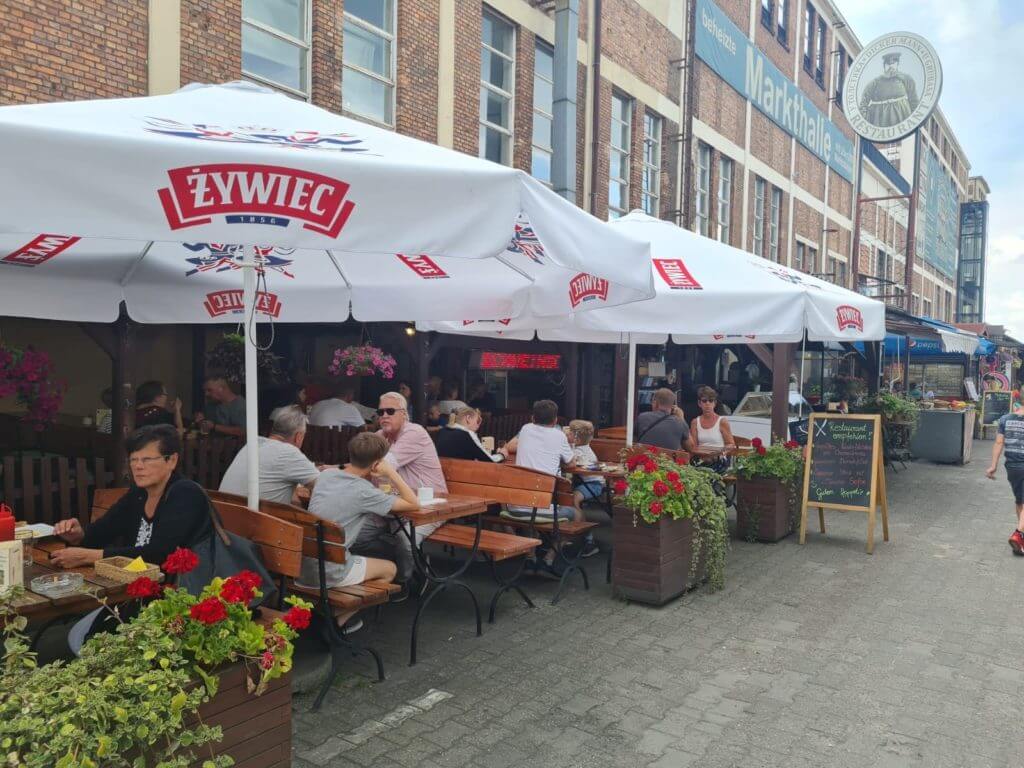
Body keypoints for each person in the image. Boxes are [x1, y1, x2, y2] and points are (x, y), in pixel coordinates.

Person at [51, 425, 211, 569]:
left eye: (147, 459)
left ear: (171, 460)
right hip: (132, 582)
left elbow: (160, 554)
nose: (138, 466)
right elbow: (106, 528)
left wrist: (88, 557)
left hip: (175, 591)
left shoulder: (185, 493)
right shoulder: (139, 493)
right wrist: (79, 535)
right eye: (134, 460)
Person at [299, 432, 408, 628]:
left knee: (351, 554)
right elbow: (413, 504)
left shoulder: (325, 475)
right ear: (376, 464)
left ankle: (328, 614)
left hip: (301, 566)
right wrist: (391, 473)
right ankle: (336, 619)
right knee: (390, 569)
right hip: (329, 573)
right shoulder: (365, 491)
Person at [356, 391, 447, 586]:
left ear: (404, 414)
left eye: (390, 411)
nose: (384, 416)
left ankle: (404, 582)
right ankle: (411, 560)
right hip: (390, 506)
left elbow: (383, 465)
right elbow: (360, 464)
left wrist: (348, 470)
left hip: (427, 507)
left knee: (405, 540)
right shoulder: (380, 436)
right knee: (355, 535)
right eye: (381, 412)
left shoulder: (414, 433)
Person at [500, 400, 598, 561]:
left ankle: (531, 554)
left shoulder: (525, 430)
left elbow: (512, 446)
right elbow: (571, 463)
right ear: (555, 420)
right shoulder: (559, 436)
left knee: (530, 503)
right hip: (543, 511)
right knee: (576, 514)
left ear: (533, 418)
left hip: (513, 508)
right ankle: (550, 556)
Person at [219, 406, 321, 506]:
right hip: (252, 521)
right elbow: (323, 485)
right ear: (298, 437)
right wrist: (332, 471)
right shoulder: (288, 452)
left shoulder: (253, 444)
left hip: (227, 516)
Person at [986, 396, 1024, 556]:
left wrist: (993, 466)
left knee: (1020, 500)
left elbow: (999, 443)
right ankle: (1018, 533)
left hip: (1012, 466)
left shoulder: (1005, 419)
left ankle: (1021, 539)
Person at [858, 52, 920, 128]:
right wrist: (867, 120)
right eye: (888, 64)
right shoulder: (875, 82)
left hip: (902, 116)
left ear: (897, 64)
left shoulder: (906, 79)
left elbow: (914, 100)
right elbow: (863, 103)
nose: (891, 67)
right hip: (880, 119)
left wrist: (913, 120)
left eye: (893, 64)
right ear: (884, 66)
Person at [689, 386, 735, 473]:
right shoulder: (695, 422)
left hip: (718, 461)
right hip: (701, 460)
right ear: (699, 403)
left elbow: (731, 444)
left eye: (711, 401)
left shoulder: (722, 421)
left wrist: (719, 453)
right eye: (704, 401)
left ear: (715, 403)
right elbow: (693, 446)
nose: (708, 404)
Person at [435, 406, 503, 462]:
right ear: (468, 418)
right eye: (477, 421)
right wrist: (501, 455)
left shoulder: (443, 431)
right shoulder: (467, 434)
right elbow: (489, 460)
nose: (478, 425)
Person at [194, 373, 246, 437]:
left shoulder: (240, 405)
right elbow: (203, 424)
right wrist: (200, 420)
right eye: (205, 391)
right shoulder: (211, 404)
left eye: (209, 390)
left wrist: (214, 427)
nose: (206, 394)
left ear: (221, 389)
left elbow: (243, 431)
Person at [568, 419, 605, 508]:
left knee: (573, 499)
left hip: (594, 484)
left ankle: (579, 520)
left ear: (577, 439)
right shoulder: (583, 447)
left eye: (570, 433)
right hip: (583, 482)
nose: (567, 434)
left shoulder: (579, 452)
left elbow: (569, 461)